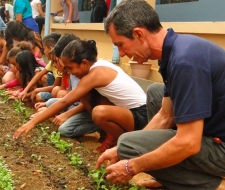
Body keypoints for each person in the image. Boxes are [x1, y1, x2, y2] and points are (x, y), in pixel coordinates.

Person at [95, 0, 225, 190]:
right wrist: (119, 152)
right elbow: (165, 116)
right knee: (156, 94)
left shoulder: (184, 62)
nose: (121, 54)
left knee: (129, 145)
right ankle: (173, 177)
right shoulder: (174, 51)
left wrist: (132, 165)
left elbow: (189, 142)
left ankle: (214, 185)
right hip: (214, 131)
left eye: (121, 45)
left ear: (139, 34)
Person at [13, 39, 147, 153]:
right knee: (86, 96)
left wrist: (32, 123)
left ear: (84, 63)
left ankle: (126, 143)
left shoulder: (95, 74)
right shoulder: (99, 64)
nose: (69, 73)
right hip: (129, 113)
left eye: (70, 68)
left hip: (142, 115)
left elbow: (64, 102)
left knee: (99, 113)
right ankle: (115, 137)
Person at [18, 32, 63, 103]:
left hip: (57, 91)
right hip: (54, 90)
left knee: (40, 94)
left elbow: (55, 86)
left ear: (50, 48)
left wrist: (36, 90)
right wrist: (25, 90)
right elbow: (39, 75)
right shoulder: (52, 63)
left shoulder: (59, 64)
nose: (44, 52)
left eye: (44, 49)